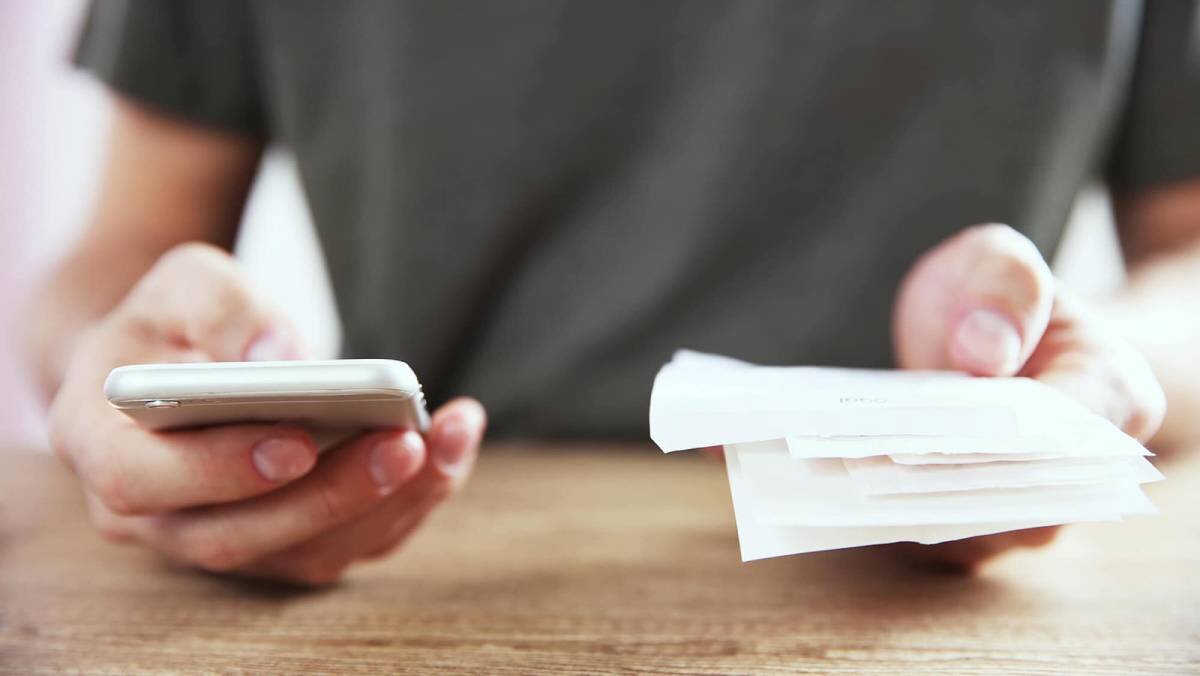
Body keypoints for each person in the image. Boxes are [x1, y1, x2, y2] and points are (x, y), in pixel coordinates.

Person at [24, 0, 1200, 585]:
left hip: (923, 610)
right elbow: (124, 249)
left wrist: (1082, 371)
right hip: (406, 566)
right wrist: (107, 369)